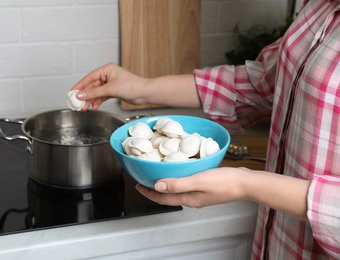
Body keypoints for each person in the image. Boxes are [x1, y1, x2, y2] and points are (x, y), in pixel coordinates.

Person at [70, 0, 340, 258]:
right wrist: (141, 89)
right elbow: (264, 82)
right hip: (277, 243)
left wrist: (245, 184)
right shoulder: (320, 6)